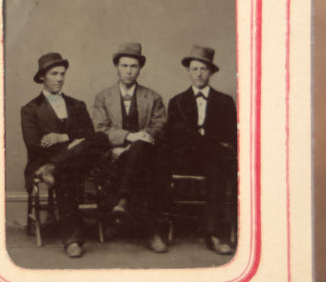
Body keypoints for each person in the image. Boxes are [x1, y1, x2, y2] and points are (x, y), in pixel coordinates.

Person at [21, 52, 109, 258]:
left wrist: (63, 137)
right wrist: (73, 143)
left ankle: (53, 167)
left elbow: (89, 135)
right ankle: (72, 240)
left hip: (67, 162)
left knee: (101, 138)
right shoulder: (30, 109)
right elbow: (34, 144)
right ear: (43, 76)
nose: (60, 78)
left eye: (62, 73)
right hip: (47, 161)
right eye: (54, 73)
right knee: (67, 174)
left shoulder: (77, 105)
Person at [92, 42, 168, 253]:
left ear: (140, 69)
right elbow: (100, 129)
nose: (128, 71)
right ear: (116, 67)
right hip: (114, 154)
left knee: (140, 154)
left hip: (145, 153)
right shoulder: (103, 97)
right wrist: (127, 138)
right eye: (124, 66)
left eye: (133, 66)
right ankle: (151, 233)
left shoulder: (152, 97)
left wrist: (137, 143)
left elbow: (159, 127)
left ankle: (124, 200)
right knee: (139, 169)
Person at [166, 45, 237, 254]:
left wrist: (211, 145)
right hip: (186, 158)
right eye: (194, 69)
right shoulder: (177, 101)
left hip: (214, 160)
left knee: (218, 165)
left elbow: (231, 136)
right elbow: (174, 138)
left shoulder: (225, 101)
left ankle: (213, 233)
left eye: (203, 69)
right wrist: (207, 143)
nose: (198, 74)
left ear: (211, 72)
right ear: (188, 71)